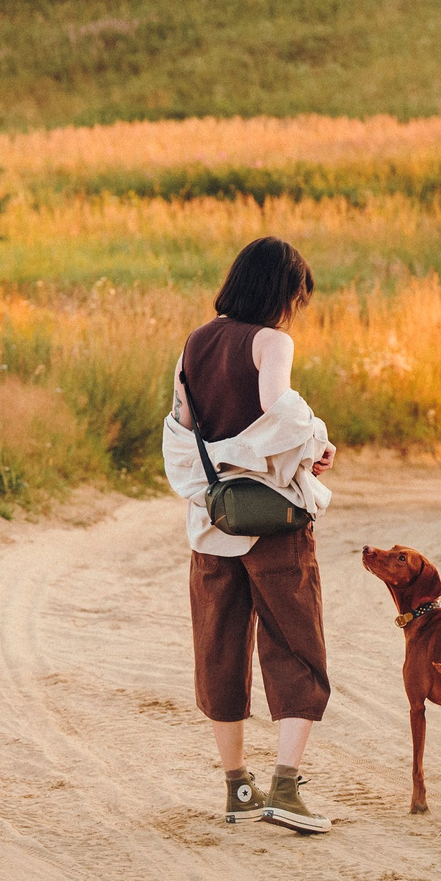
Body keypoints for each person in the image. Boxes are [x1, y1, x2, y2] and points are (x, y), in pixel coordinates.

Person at [162, 237, 338, 834]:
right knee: (295, 647)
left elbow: (182, 429)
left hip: (212, 523)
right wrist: (315, 442)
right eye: (295, 294)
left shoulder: (195, 343)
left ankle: (238, 788)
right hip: (271, 524)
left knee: (220, 649)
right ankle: (285, 789)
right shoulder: (272, 341)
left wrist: (222, 467)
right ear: (280, 291)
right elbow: (277, 409)